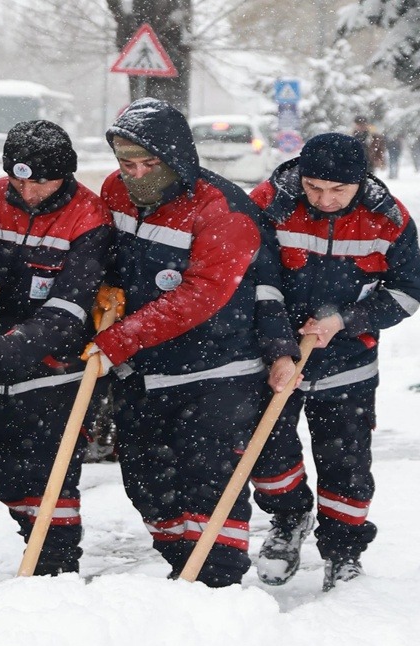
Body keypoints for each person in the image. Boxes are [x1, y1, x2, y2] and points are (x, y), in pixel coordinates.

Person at [91, 97, 292, 587]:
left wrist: (121, 338)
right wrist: (106, 291)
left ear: (177, 157)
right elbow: (108, 253)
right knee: (149, 488)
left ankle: (217, 590)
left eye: (149, 164)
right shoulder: (115, 191)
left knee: (209, 488)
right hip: (141, 371)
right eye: (128, 163)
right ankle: (182, 575)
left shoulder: (224, 211)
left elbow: (202, 294)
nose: (137, 174)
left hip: (215, 370)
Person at [248, 133, 420, 591]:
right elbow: (246, 276)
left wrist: (348, 320)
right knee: (265, 450)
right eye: (314, 188)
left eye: (339, 191)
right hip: (275, 355)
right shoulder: (269, 203)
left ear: (360, 183)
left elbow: (408, 292)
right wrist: (278, 346)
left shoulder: (389, 218)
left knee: (346, 462)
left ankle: (344, 552)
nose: (325, 200)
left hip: (348, 361)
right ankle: (289, 519)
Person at [0, 120, 113, 577]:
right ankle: (36, 542)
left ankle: (56, 566)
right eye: (18, 180)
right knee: (5, 473)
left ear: (64, 176)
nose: (27, 192)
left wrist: (12, 345)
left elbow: (69, 306)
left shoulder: (89, 217)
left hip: (56, 364)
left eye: (39, 182)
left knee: (50, 473)